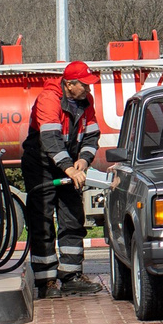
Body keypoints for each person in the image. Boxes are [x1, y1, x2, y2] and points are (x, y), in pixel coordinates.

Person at [25, 60, 100, 297]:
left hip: (67, 164)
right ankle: (46, 282)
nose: (88, 90)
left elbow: (91, 136)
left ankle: (71, 276)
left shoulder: (86, 102)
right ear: (69, 85)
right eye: (84, 85)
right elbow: (50, 140)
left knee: (72, 218)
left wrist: (84, 161)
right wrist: (70, 168)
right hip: (41, 165)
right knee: (42, 221)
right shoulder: (49, 99)